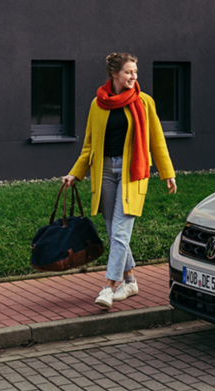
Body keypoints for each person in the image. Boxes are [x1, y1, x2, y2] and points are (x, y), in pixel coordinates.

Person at [63, 53, 177, 308]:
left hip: (132, 172)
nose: (133, 77)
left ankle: (108, 286)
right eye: (128, 72)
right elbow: (89, 145)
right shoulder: (98, 104)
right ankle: (131, 280)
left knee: (121, 231)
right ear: (114, 74)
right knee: (113, 229)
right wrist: (75, 173)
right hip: (103, 171)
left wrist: (167, 172)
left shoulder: (145, 102)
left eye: (135, 72)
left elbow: (157, 140)